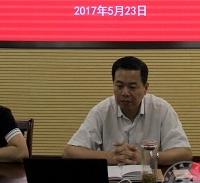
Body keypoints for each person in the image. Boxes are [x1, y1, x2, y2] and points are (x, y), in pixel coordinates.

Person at [62, 56, 192, 166]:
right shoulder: (102, 111)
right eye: (119, 86)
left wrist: (148, 157)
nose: (125, 93)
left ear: (145, 88)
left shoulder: (161, 109)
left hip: (150, 181)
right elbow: (69, 152)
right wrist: (107, 157)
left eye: (132, 87)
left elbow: (185, 153)